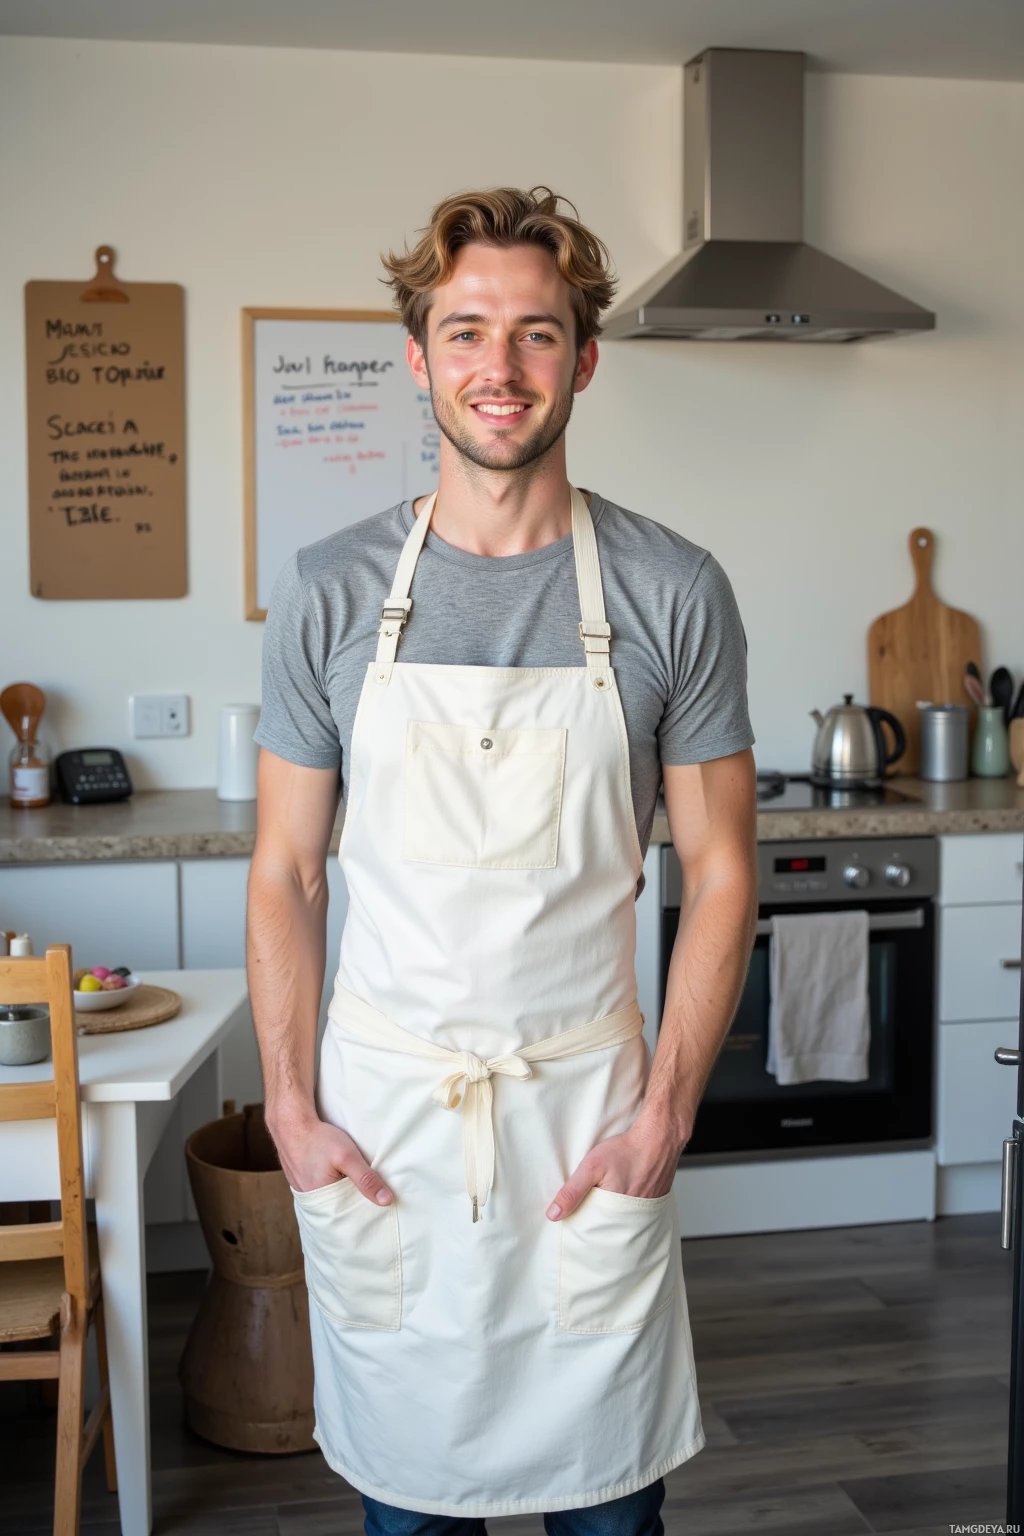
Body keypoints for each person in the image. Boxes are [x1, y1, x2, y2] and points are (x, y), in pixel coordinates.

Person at [247, 185, 758, 1536]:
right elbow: (288, 870)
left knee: (610, 1513)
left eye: (537, 335)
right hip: (388, 1130)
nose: (500, 368)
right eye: (466, 331)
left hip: (586, 1120)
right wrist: (290, 1111)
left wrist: (668, 1117)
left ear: (584, 359)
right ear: (418, 358)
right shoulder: (330, 593)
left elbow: (720, 873)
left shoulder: (672, 589)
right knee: (410, 1515)